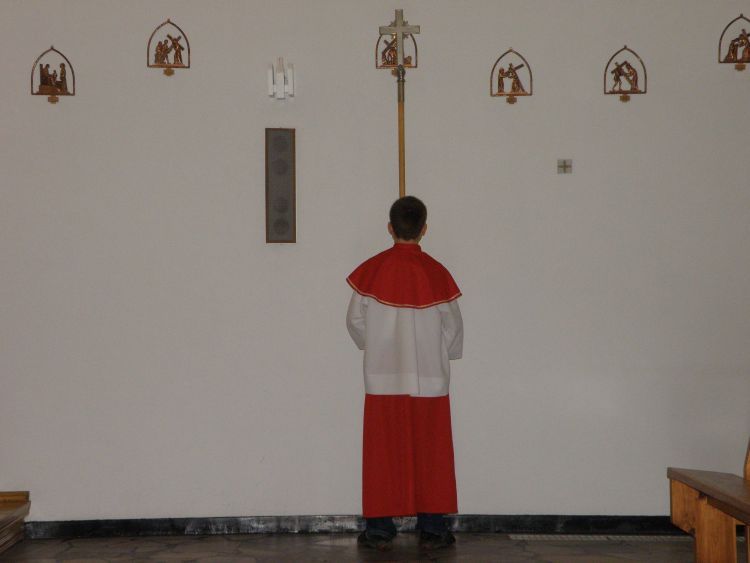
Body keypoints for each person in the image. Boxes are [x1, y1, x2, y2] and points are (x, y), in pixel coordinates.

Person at [346, 196, 464, 552]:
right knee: (431, 452)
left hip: (383, 375)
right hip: (430, 377)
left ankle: (380, 528)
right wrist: (444, 356)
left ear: (390, 227)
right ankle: (434, 527)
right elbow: (453, 328)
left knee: (384, 452)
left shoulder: (373, 270)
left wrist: (374, 347)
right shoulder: (436, 273)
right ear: (424, 229)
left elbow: (355, 322)